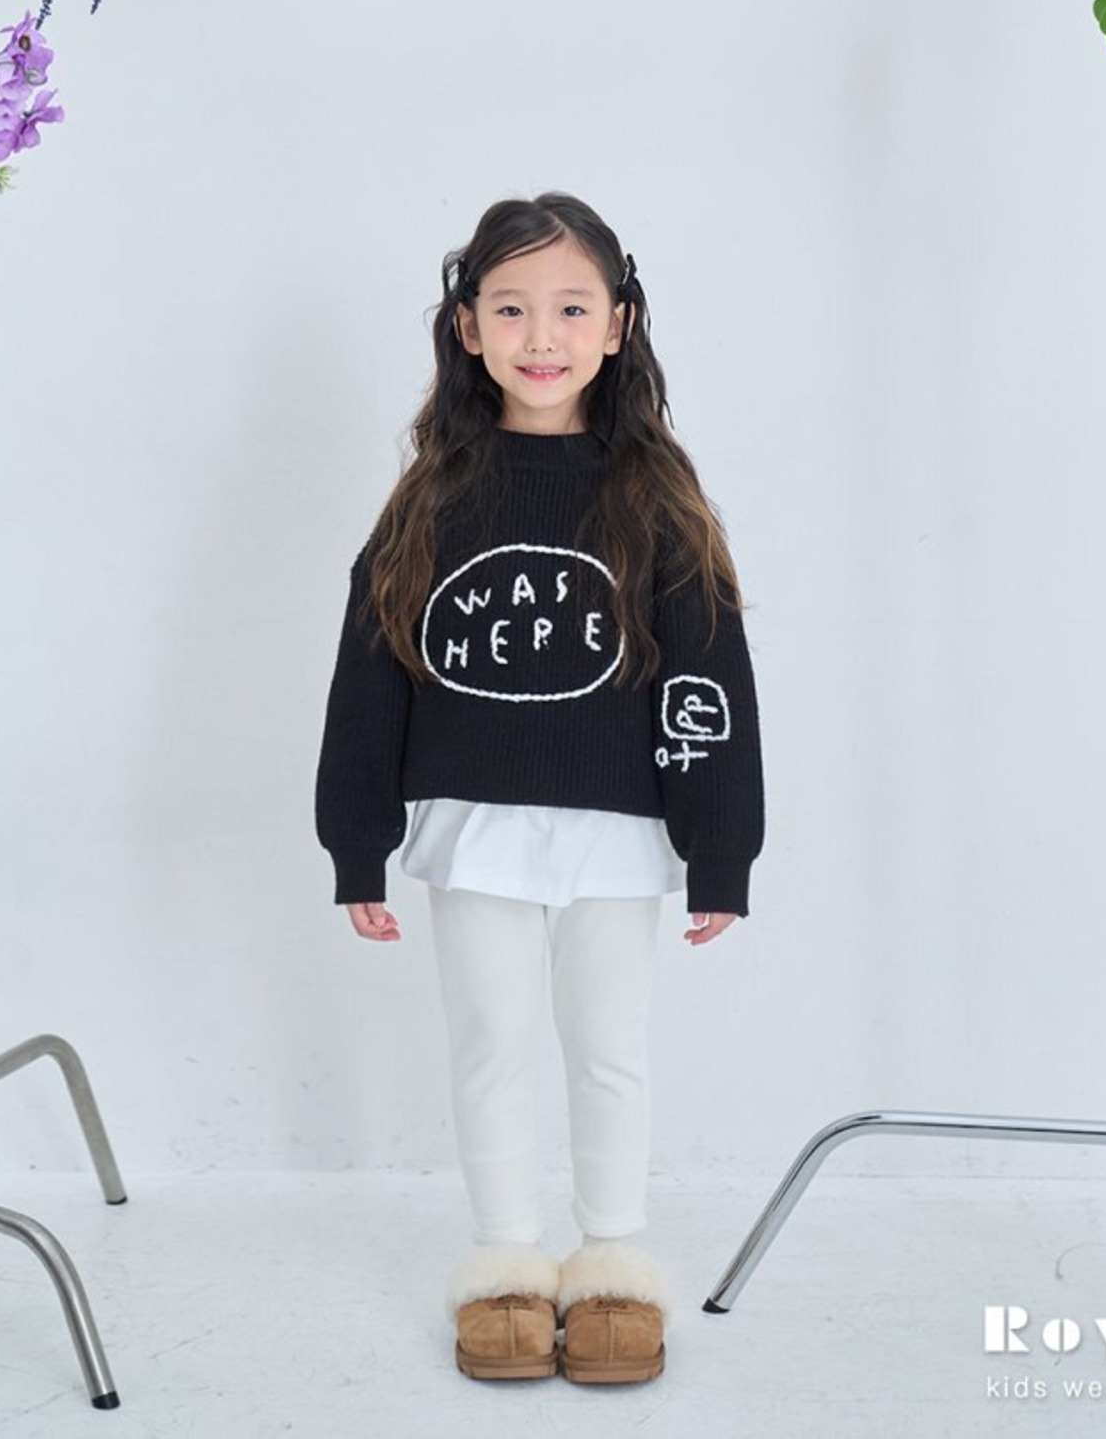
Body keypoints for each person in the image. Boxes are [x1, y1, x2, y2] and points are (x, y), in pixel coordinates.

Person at [315, 192, 765, 1385]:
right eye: (510, 309)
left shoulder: (657, 501)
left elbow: (706, 681)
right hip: (472, 829)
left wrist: (719, 849)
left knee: (608, 1045)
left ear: (618, 324)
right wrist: (356, 843)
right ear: (467, 327)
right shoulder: (427, 502)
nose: (541, 335)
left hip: (617, 833)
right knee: (491, 1044)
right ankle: (504, 1266)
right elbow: (368, 683)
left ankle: (611, 1263)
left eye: (570, 307)